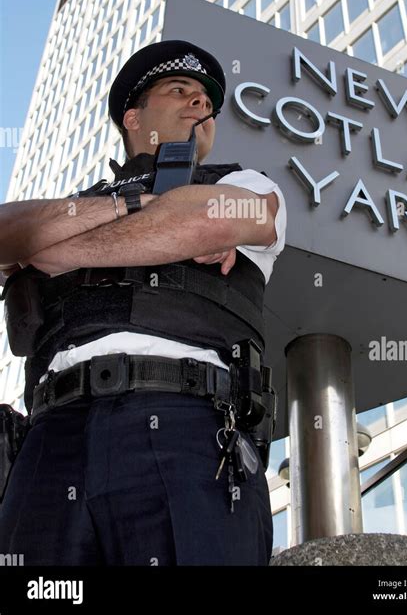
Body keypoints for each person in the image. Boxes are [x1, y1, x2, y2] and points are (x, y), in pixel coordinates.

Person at [0, 40, 287, 566]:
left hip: (187, 430)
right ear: (134, 117)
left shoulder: (240, 182)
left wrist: (51, 249)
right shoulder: (82, 198)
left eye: (207, 100)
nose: (200, 105)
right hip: (49, 440)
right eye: (180, 91)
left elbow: (211, 218)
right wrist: (136, 204)